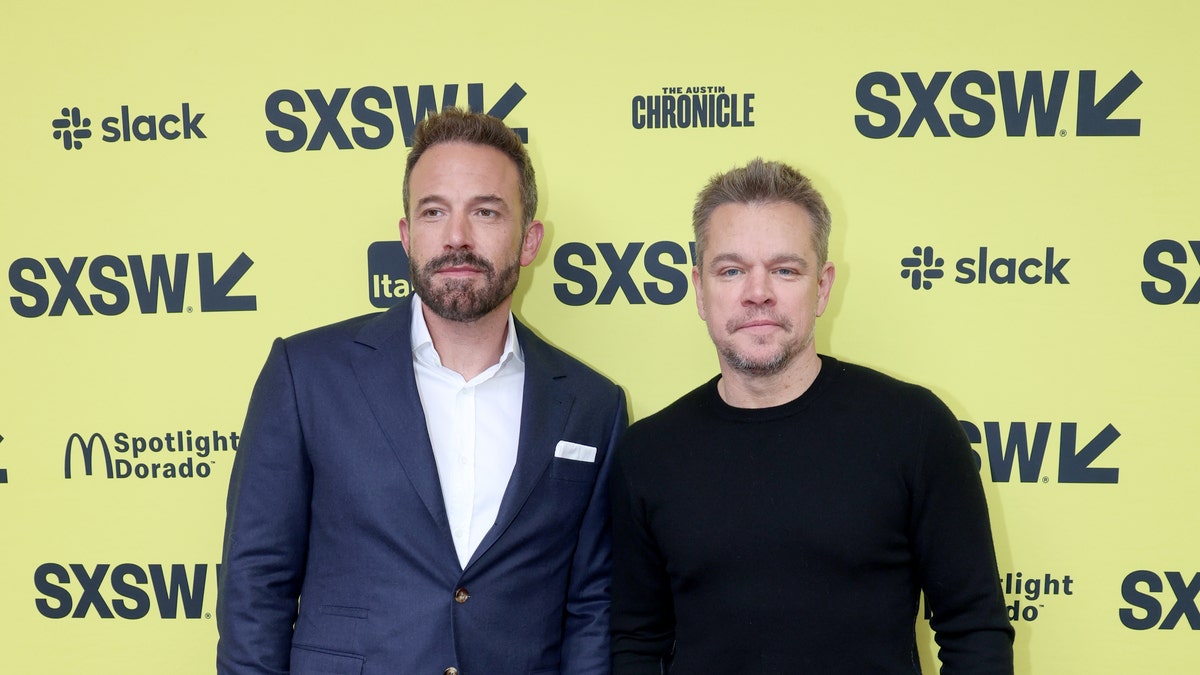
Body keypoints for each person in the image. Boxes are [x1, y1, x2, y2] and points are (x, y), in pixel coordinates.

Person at [217, 108, 627, 675]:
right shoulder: (306, 374)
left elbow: (590, 608)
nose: (457, 237)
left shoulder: (591, 405)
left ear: (529, 240)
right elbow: (255, 584)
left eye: (485, 211)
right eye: (434, 212)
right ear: (407, 236)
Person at [609, 159, 1014, 674]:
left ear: (822, 288)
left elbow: (974, 630)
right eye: (731, 270)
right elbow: (636, 644)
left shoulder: (915, 429)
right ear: (699, 289)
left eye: (785, 269)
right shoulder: (648, 453)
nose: (758, 292)